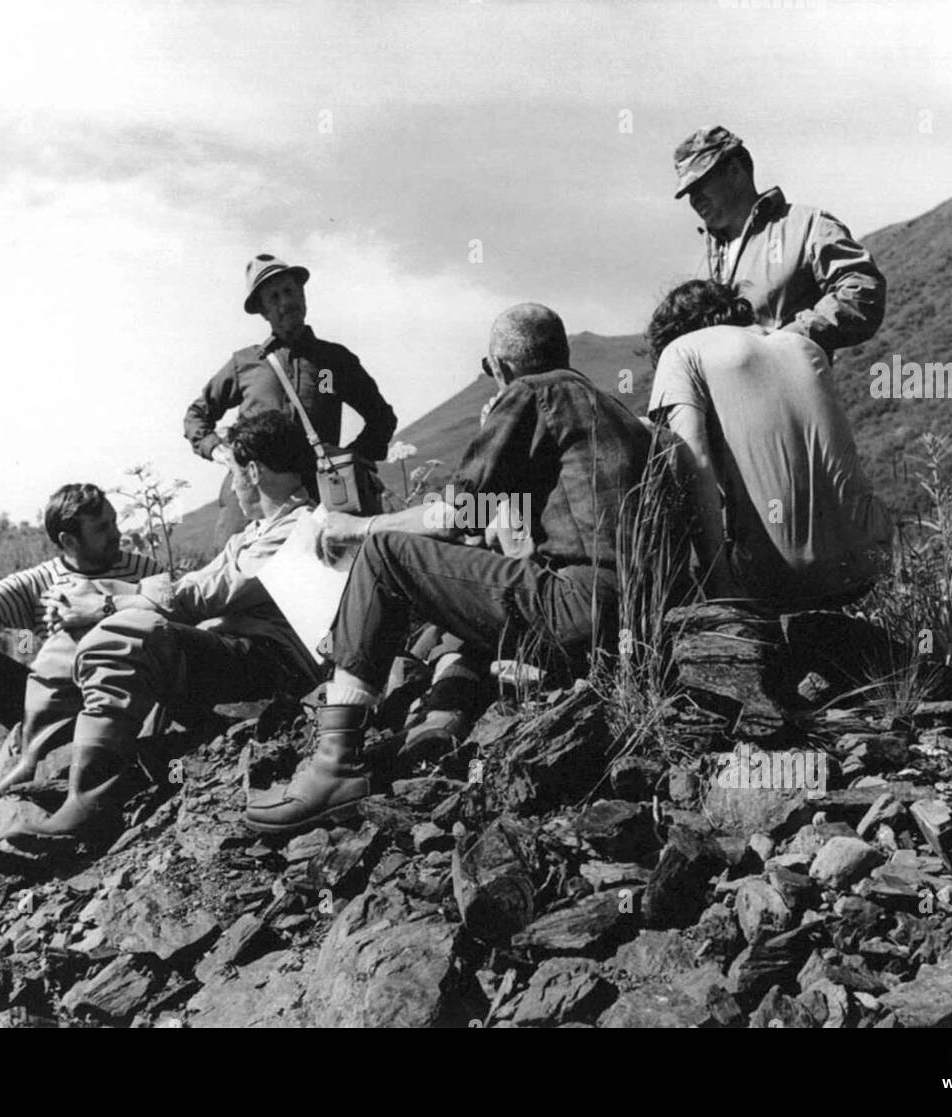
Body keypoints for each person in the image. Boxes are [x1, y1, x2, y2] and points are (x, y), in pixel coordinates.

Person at [243, 303, 656, 838]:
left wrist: (359, 528)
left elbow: (455, 512)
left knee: (386, 553)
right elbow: (492, 519)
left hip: (576, 607)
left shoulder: (533, 393)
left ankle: (334, 765)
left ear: (500, 367)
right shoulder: (613, 412)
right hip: (630, 618)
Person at [0, 410, 324, 855]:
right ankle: (47, 760)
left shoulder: (301, 526)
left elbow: (201, 595)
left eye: (232, 474)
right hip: (231, 652)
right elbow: (183, 590)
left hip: (270, 664)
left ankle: (88, 805)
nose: (231, 487)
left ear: (253, 471)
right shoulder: (252, 534)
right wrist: (106, 597)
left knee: (126, 633)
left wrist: (107, 601)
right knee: (81, 634)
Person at [0, 486, 164, 828]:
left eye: (114, 522)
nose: (117, 534)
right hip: (54, 699)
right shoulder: (39, 581)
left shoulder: (143, 570)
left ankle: (42, 767)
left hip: (120, 697)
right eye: (102, 528)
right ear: (69, 541)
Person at [645, 279, 893, 610]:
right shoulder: (803, 345)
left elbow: (693, 464)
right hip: (870, 556)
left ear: (670, 333)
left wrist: (719, 590)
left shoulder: (681, 351)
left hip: (775, 576)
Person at [184, 252, 398, 548]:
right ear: (263, 311)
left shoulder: (333, 361)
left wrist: (350, 458)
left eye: (289, 291)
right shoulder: (245, 363)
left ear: (303, 294)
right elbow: (196, 415)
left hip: (316, 495)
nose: (285, 303)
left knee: (331, 570)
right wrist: (224, 455)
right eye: (273, 297)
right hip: (252, 493)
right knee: (237, 572)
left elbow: (381, 418)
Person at [673, 126, 886, 357]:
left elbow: (862, 293)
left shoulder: (807, 226)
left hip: (794, 389)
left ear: (734, 171)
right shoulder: (705, 265)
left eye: (699, 185)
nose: (695, 200)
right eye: (688, 194)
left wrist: (791, 339)